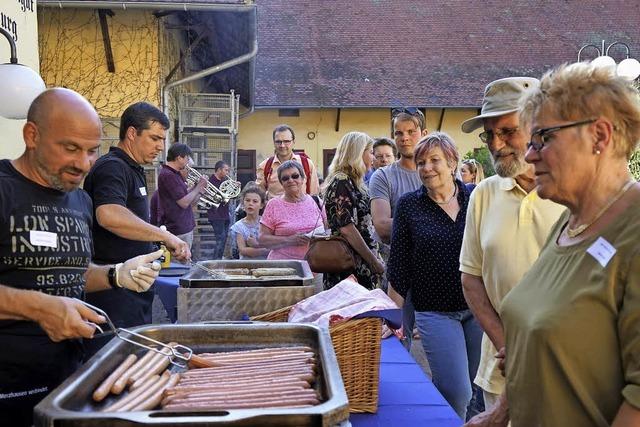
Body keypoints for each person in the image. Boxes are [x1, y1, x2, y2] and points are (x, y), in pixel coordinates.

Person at [486, 63, 640, 426]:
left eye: (544, 138)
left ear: (599, 136)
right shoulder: (569, 222)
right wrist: (498, 413)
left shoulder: (633, 231)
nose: (529, 154)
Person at [0, 88, 162, 426]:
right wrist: (41, 307)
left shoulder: (79, 200)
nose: (83, 164)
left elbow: (70, 270)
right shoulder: (4, 190)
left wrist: (116, 274)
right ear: (32, 135)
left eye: (92, 151)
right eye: (71, 148)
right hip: (8, 384)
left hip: (70, 376)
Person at [458, 77, 565, 421]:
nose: (496, 144)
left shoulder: (574, 193)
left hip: (565, 368)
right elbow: (471, 278)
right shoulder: (483, 194)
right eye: (489, 135)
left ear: (539, 127)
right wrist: (507, 345)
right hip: (500, 369)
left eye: (507, 131)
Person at [83, 101, 190, 357]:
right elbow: (108, 214)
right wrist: (165, 235)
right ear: (132, 133)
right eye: (154, 138)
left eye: (162, 139)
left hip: (134, 289)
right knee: (113, 363)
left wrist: (156, 240)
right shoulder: (113, 167)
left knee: (133, 357)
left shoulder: (133, 168)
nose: (160, 147)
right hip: (113, 291)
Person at [387, 132, 481, 419]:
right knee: (457, 391)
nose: (427, 168)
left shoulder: (475, 197)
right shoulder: (409, 205)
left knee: (477, 387)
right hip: (435, 312)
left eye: (434, 160)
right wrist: (393, 319)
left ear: (452, 163)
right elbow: (399, 265)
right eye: (421, 162)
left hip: (478, 309)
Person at [369, 107, 427, 347]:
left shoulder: (437, 171)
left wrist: (405, 224)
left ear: (424, 133)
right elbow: (382, 226)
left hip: (436, 272)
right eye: (398, 133)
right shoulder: (383, 176)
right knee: (398, 343)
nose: (404, 138)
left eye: (411, 132)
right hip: (398, 274)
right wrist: (432, 225)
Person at [323, 131, 385, 290]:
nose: (373, 158)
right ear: (358, 153)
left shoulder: (353, 182)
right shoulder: (341, 181)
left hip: (358, 262)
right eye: (371, 153)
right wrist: (373, 261)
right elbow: (347, 228)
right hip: (348, 266)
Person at [259, 160, 326, 260]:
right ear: (281, 183)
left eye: (295, 176)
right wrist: (289, 240)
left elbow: (328, 230)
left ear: (303, 179)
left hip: (315, 267)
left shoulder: (316, 202)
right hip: (283, 269)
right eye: (285, 178)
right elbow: (263, 239)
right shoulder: (274, 205)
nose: (290, 180)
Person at [157, 143, 207, 249]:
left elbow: (185, 199)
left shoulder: (174, 174)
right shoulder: (168, 175)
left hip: (183, 227)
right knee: (182, 263)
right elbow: (183, 203)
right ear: (179, 158)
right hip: (178, 229)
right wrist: (198, 187)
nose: (188, 162)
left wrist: (197, 189)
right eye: (187, 158)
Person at [256, 124, 320, 199]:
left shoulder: (307, 164)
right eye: (278, 142)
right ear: (274, 143)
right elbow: (259, 196)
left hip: (302, 210)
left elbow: (314, 194)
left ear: (294, 142)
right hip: (276, 210)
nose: (282, 145)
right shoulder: (265, 166)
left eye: (286, 141)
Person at [230, 186, 270, 259]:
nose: (250, 203)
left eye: (255, 201)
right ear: (243, 203)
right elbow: (243, 250)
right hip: (246, 265)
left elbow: (273, 247)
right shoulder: (239, 226)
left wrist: (256, 245)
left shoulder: (266, 223)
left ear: (261, 205)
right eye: (247, 200)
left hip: (266, 265)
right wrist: (264, 249)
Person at [207, 160, 235, 259]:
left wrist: (235, 187)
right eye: (226, 170)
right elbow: (214, 198)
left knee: (223, 239)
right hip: (216, 215)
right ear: (219, 170)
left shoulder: (224, 182)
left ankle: (219, 259)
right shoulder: (211, 182)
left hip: (224, 214)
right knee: (220, 239)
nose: (227, 173)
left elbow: (230, 196)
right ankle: (216, 261)